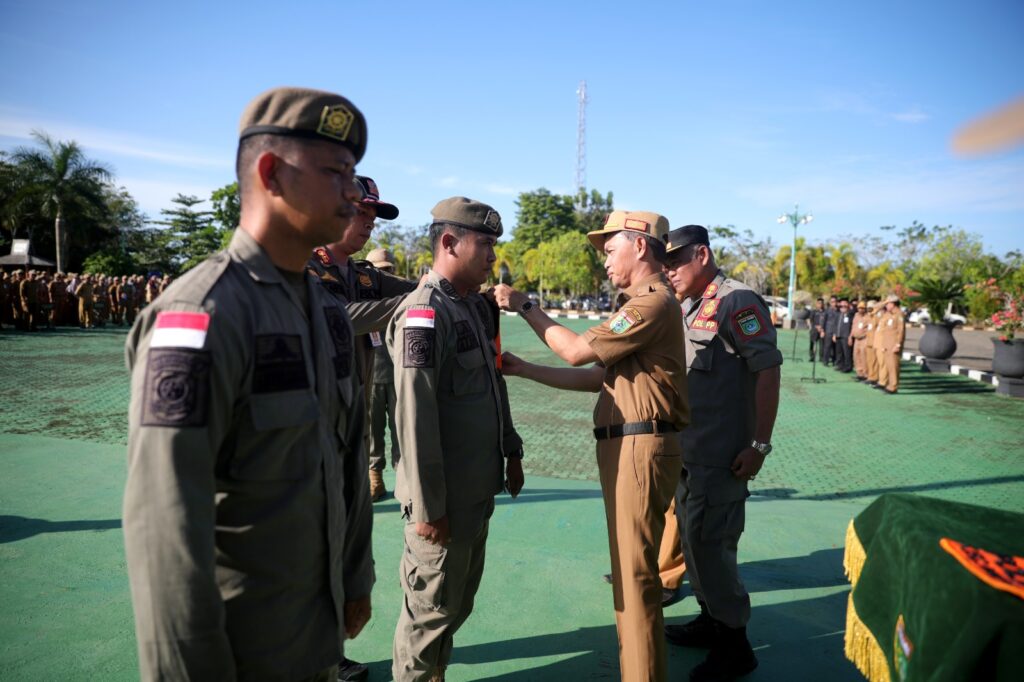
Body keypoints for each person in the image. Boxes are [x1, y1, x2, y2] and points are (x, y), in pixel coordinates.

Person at [123, 86, 374, 682]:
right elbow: (165, 525)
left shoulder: (327, 312)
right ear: (271, 173)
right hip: (237, 654)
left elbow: (346, 457)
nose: (353, 192)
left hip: (315, 634)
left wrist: (354, 578)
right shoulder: (201, 314)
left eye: (354, 174)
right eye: (337, 171)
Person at [494, 210, 687, 682]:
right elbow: (598, 378)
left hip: (640, 449)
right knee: (630, 573)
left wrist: (525, 306)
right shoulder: (641, 303)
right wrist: (525, 370)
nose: (604, 261)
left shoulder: (650, 304)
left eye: (610, 249)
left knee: (635, 579)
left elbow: (577, 350)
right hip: (629, 445)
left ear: (639, 247)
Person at [388, 196, 524, 682]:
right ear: (449, 242)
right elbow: (414, 415)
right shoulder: (425, 313)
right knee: (428, 616)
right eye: (485, 244)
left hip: (472, 491)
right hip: (441, 504)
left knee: (455, 604)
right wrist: (427, 506)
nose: (493, 256)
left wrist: (511, 450)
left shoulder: (469, 308)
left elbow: (492, 384)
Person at [660, 225, 782, 682]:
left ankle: (735, 646)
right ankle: (712, 620)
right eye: (665, 264)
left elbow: (767, 373)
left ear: (703, 255)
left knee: (713, 550)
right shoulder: (689, 305)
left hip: (723, 456)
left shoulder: (738, 301)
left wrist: (759, 445)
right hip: (690, 452)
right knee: (693, 547)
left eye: (675, 262)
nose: (669, 271)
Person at [307, 175, 416, 505]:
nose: (369, 224)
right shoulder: (303, 265)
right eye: (361, 214)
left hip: (357, 411)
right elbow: (343, 317)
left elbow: (420, 288)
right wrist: (414, 302)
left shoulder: (364, 274)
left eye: (372, 219)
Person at [366, 248, 404, 484]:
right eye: (380, 271)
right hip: (372, 374)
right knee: (373, 431)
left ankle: (404, 480)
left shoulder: (403, 298)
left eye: (388, 270)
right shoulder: (360, 298)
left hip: (400, 374)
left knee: (402, 430)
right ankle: (375, 476)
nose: (385, 276)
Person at [875, 294, 906, 394]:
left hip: (893, 346)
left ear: (893, 304)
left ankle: (893, 386)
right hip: (887, 345)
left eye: (888, 303)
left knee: (893, 366)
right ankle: (889, 384)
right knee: (888, 366)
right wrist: (884, 302)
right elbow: (876, 308)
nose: (886, 306)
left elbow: (901, 331)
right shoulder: (889, 314)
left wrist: (898, 345)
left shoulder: (899, 314)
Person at [833, 298, 853, 372]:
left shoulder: (850, 315)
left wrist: (850, 336)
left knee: (847, 352)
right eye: (841, 306)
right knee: (839, 352)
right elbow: (835, 325)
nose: (843, 307)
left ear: (848, 306)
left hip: (846, 336)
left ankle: (848, 367)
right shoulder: (838, 315)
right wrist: (834, 334)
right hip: (838, 335)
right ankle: (840, 365)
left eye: (845, 305)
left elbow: (852, 326)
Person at [851, 301, 869, 380]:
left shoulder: (867, 316)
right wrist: (850, 336)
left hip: (864, 338)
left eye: (862, 308)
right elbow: (853, 326)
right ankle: (859, 373)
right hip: (856, 339)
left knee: (863, 356)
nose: (860, 310)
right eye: (859, 308)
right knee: (856, 356)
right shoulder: (856, 315)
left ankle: (865, 374)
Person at [822, 296, 839, 366]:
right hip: (828, 331)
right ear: (830, 303)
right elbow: (824, 321)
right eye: (832, 302)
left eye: (835, 302)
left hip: (836, 331)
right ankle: (825, 361)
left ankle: (834, 361)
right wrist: (823, 331)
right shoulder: (827, 311)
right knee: (827, 346)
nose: (833, 303)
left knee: (835, 347)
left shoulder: (839, 311)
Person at [809, 298, 826, 362]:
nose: (820, 305)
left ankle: (821, 358)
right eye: (819, 303)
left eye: (821, 303)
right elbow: (811, 321)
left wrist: (822, 328)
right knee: (812, 344)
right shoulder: (814, 311)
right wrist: (816, 326)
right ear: (816, 304)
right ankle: (812, 357)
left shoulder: (825, 312)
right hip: (814, 330)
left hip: (822, 331)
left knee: (822, 345)